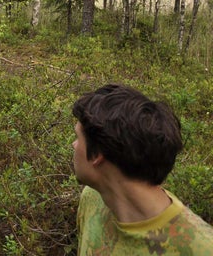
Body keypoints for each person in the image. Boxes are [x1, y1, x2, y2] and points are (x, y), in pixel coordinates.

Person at [72, 84, 213, 255]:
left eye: (78, 138)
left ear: (97, 155)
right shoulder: (93, 199)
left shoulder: (201, 248)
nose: (74, 145)